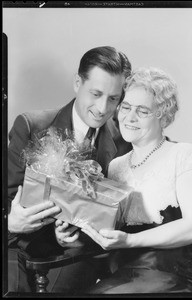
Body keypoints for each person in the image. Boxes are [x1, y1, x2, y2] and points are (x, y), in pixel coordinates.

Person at [7, 46, 132, 293]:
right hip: (19, 246)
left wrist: (73, 235)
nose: (103, 108)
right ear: (77, 83)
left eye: (114, 98)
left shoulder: (124, 141)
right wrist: (11, 222)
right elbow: (7, 196)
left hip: (79, 255)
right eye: (96, 93)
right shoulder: (30, 125)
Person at [78, 67, 192, 294]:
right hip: (120, 272)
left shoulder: (184, 154)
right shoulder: (116, 166)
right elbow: (109, 231)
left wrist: (128, 240)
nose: (130, 117)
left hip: (170, 274)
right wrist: (72, 233)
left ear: (163, 115)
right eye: (126, 107)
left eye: (143, 111)